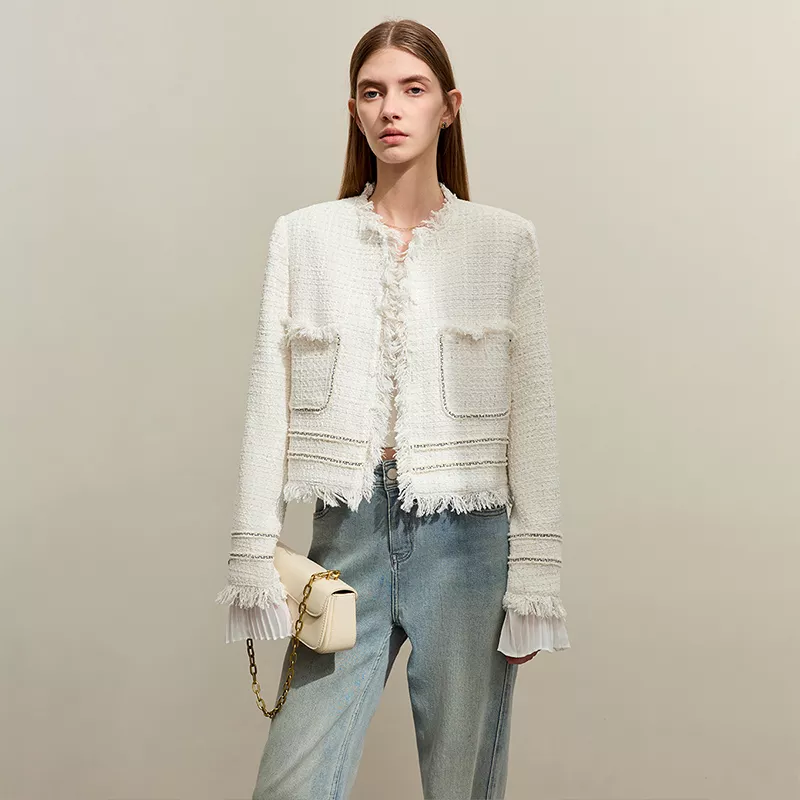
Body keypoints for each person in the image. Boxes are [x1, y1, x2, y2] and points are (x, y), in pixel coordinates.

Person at [216, 18, 570, 800]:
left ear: (449, 107)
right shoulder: (303, 238)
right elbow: (267, 401)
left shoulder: (504, 242)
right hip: (347, 539)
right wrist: (252, 550)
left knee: (463, 784)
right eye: (373, 93)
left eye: (413, 89)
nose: (392, 108)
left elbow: (534, 416)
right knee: (292, 785)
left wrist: (534, 577)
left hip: (469, 546)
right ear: (354, 111)